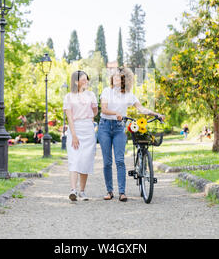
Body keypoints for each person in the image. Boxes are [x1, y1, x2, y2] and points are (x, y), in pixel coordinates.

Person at [98, 67, 164, 202]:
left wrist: (156, 114)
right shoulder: (106, 91)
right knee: (107, 162)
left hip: (119, 128)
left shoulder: (129, 94)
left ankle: (122, 192)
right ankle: (109, 191)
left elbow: (141, 108)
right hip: (104, 126)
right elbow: (104, 109)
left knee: (120, 160)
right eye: (114, 76)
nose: (115, 78)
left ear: (125, 80)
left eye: (119, 77)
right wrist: (116, 114)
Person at [63, 70, 98, 201]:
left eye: (86, 79)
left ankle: (82, 191)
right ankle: (73, 190)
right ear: (76, 82)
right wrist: (74, 135)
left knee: (86, 160)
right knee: (74, 159)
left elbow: (95, 112)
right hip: (75, 128)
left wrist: (91, 109)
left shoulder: (91, 95)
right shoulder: (68, 97)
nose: (86, 82)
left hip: (88, 128)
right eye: (83, 80)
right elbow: (69, 117)